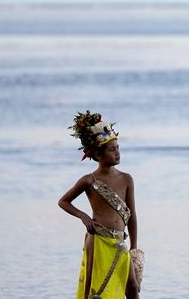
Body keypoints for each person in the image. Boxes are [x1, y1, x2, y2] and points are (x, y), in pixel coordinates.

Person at [59, 111, 142, 299]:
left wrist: (134, 248)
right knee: (96, 289)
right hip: (98, 241)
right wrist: (83, 216)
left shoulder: (127, 179)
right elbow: (63, 201)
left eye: (118, 148)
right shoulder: (89, 180)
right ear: (98, 154)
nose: (117, 153)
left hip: (120, 243)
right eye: (111, 149)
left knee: (133, 287)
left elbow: (133, 216)